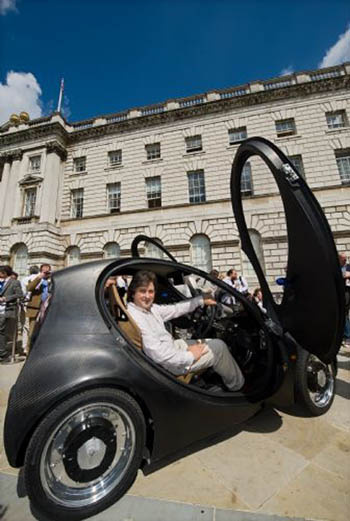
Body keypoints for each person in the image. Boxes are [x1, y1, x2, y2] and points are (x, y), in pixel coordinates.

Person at [127, 270, 245, 392]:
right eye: (142, 291)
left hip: (171, 348)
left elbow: (175, 309)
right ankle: (238, 387)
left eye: (150, 291)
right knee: (219, 347)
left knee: (209, 342)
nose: (147, 296)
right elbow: (159, 355)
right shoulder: (138, 317)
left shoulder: (147, 309)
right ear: (133, 293)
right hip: (172, 364)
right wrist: (190, 356)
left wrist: (200, 300)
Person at [0, 265, 23, 363]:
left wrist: (6, 298)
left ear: (4, 273)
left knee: (1, 330)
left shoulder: (14, 282)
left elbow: (20, 294)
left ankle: (3, 353)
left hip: (7, 309)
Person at [25, 264, 52, 348]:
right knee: (32, 331)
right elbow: (29, 288)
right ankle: (29, 349)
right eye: (44, 271)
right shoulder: (35, 279)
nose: (46, 273)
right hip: (35, 308)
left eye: (47, 271)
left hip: (48, 307)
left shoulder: (51, 281)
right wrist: (40, 277)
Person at [339, 253, 350, 346]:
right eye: (343, 259)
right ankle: (346, 336)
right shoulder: (337, 267)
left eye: (345, 259)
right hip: (340, 292)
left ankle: (347, 336)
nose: (345, 260)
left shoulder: (348, 266)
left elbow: (346, 275)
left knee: (344, 314)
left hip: (347, 292)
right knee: (343, 314)